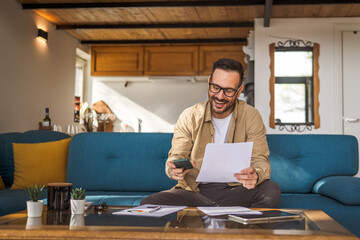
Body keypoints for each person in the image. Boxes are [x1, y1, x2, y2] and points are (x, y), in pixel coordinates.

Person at [141, 58, 281, 207]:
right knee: (149, 204)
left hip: (236, 191)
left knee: (270, 190)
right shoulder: (190, 116)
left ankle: (227, 219)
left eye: (228, 90)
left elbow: (260, 161)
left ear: (239, 90)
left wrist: (256, 174)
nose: (220, 96)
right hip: (194, 192)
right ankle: (220, 213)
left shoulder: (251, 116)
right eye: (215, 87)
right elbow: (176, 156)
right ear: (209, 82)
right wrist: (173, 169)